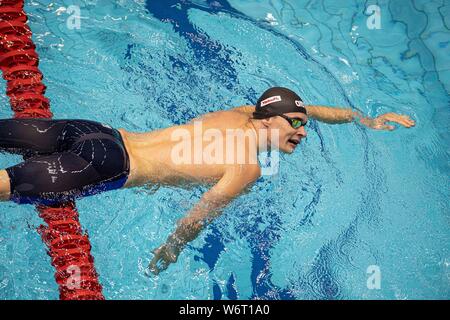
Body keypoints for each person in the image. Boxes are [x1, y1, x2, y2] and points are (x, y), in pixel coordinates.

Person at [0, 87, 415, 274]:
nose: (303, 133)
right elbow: (198, 217)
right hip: (108, 165)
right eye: (295, 125)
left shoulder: (238, 113)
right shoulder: (248, 167)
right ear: (268, 120)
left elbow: (311, 108)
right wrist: (172, 248)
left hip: (98, 131)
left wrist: (363, 119)